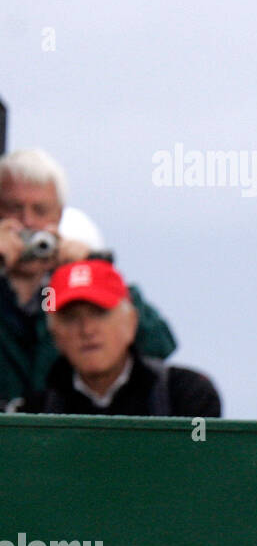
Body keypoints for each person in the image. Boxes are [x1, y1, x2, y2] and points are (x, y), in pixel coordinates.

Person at [0, 148, 177, 402]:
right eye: (14, 208)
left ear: (59, 216)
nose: (27, 222)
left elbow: (158, 343)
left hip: (58, 435)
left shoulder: (76, 286)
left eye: (40, 210)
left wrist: (97, 269)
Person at [7, 259, 220, 416]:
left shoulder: (186, 396)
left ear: (131, 322)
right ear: (54, 334)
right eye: (71, 318)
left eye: (100, 313)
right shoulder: (31, 415)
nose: (87, 330)